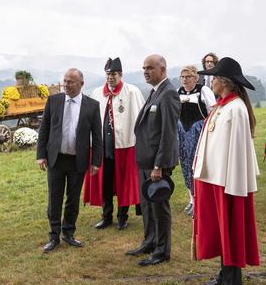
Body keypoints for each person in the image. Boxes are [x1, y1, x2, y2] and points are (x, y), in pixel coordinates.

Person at [192, 57, 260, 285]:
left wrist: (233, 183)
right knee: (222, 231)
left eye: (213, 79)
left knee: (230, 231)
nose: (210, 83)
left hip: (229, 182)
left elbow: (237, 152)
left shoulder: (236, 109)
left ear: (224, 82)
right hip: (216, 178)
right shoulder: (223, 106)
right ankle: (224, 275)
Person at [36, 68, 103, 253]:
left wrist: (96, 162)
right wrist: (40, 155)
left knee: (73, 200)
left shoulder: (92, 106)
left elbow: (97, 137)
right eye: (65, 81)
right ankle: (54, 236)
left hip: (78, 161)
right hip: (56, 159)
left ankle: (69, 233)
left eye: (71, 81)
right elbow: (44, 129)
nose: (66, 84)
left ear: (81, 84)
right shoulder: (54, 101)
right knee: (54, 199)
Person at [126, 54, 181, 266]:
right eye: (143, 68)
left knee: (159, 206)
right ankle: (149, 241)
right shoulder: (154, 92)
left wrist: (158, 165)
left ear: (162, 69)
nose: (145, 72)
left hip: (157, 164)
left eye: (150, 68)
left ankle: (162, 250)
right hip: (146, 161)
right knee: (147, 206)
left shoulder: (168, 94)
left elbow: (168, 133)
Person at [83, 57, 145, 230]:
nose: (111, 77)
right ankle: (106, 216)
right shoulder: (97, 93)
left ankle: (122, 216)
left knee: (124, 181)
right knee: (106, 181)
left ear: (121, 74)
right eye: (108, 74)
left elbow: (140, 119)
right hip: (103, 147)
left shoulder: (132, 92)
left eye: (114, 74)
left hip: (125, 145)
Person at [176, 65, 215, 216]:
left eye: (188, 77)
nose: (185, 80)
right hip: (182, 133)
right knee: (185, 164)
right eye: (183, 77)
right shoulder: (178, 92)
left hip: (198, 132)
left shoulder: (203, 90)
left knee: (197, 166)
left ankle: (200, 200)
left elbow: (212, 112)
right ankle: (192, 199)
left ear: (196, 78)